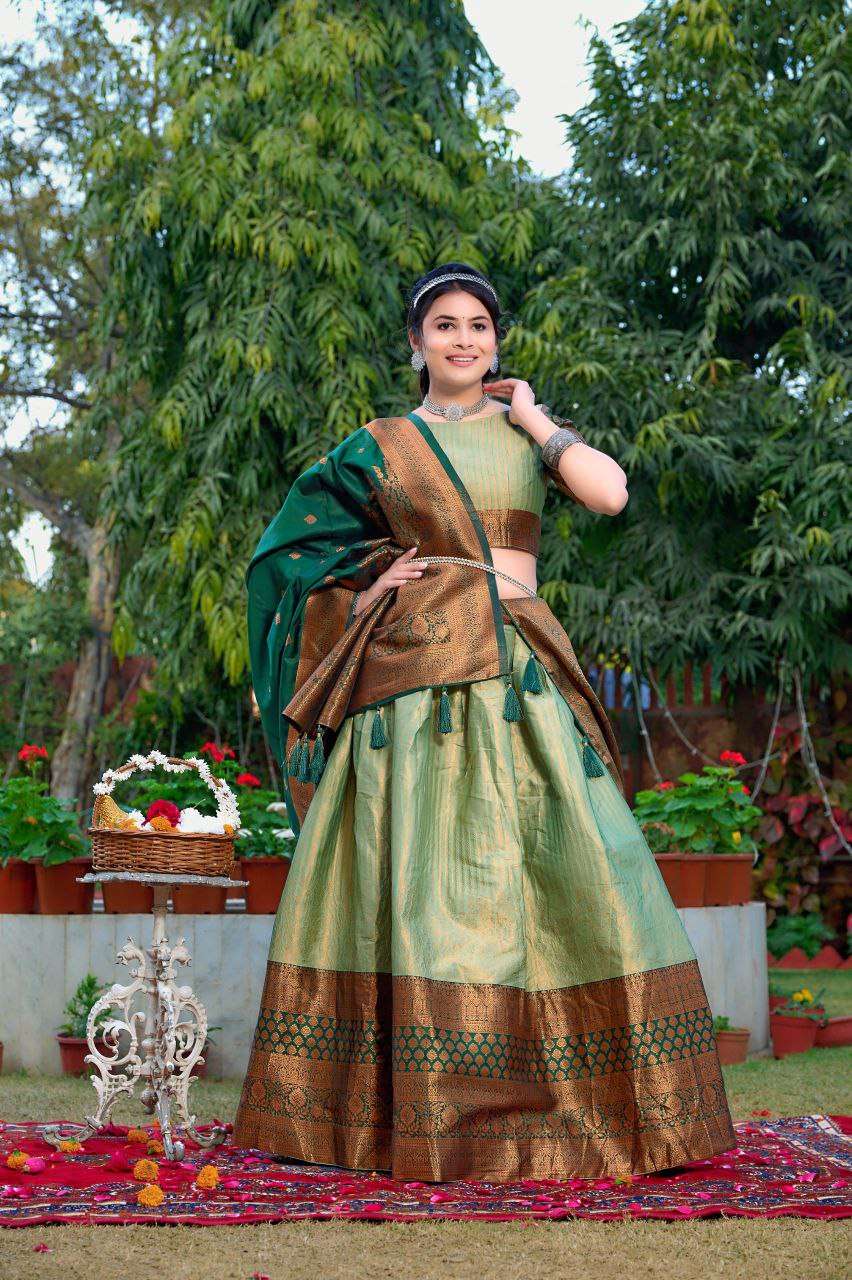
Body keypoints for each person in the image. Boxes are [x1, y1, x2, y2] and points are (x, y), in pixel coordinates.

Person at [232, 262, 737, 1182]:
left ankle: (583, 1100)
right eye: (445, 325)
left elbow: (610, 494)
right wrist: (365, 585)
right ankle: (413, 1111)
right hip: (413, 685)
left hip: (521, 678)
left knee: (576, 871)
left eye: (479, 326)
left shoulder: (524, 434)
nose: (463, 340)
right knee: (422, 886)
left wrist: (537, 418)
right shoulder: (382, 446)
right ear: (415, 342)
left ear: (497, 341)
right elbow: (288, 557)